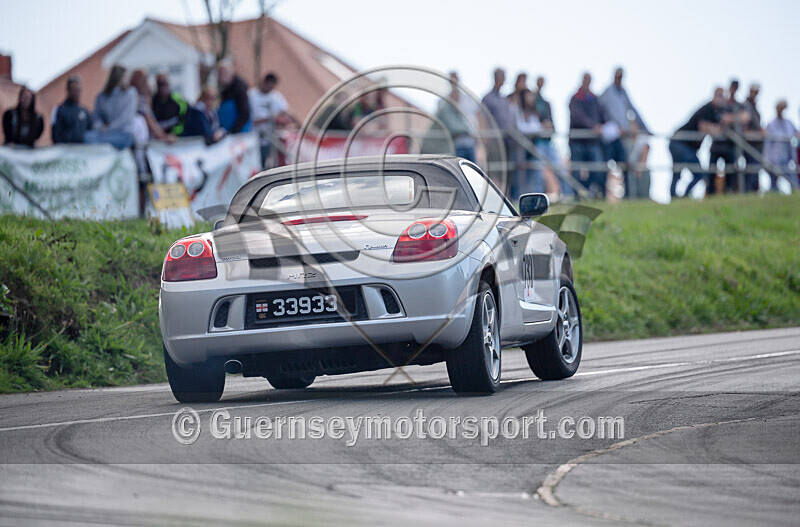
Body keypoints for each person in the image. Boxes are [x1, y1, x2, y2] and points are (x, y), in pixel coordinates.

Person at [599, 67, 651, 199]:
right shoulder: (607, 93)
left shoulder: (623, 93)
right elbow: (602, 110)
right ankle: (602, 195)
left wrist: (645, 128)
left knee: (625, 165)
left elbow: (633, 109)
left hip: (621, 138)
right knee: (605, 166)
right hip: (610, 136)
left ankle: (629, 197)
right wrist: (612, 126)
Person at [669, 87, 729, 198]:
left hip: (683, 144)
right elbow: (704, 127)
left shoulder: (717, 112)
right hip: (679, 143)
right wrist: (716, 129)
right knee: (697, 172)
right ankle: (681, 196)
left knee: (682, 172)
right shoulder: (708, 109)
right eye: (720, 95)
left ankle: (678, 197)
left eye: (724, 96)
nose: (722, 99)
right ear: (714, 96)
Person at [569, 73, 606, 198]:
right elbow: (577, 117)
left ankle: (593, 193)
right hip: (577, 141)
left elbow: (602, 116)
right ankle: (576, 195)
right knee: (576, 171)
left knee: (596, 170)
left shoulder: (594, 99)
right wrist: (593, 126)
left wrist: (603, 126)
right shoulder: (575, 99)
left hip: (592, 142)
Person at [84, 65, 137, 149]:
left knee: (97, 140)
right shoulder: (102, 96)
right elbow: (96, 116)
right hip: (104, 132)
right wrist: (100, 126)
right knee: (87, 137)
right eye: (125, 76)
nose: (127, 79)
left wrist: (109, 128)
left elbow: (125, 119)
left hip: (123, 133)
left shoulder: (130, 93)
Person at [249, 72, 294, 168]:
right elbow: (249, 119)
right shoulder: (251, 95)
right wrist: (269, 119)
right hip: (253, 138)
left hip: (269, 139)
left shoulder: (276, 97)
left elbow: (286, 112)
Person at [764, 99, 798, 191]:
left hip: (787, 159)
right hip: (774, 159)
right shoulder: (771, 124)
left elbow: (796, 133)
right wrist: (767, 160)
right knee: (774, 184)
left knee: (793, 181)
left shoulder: (789, 123)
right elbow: (767, 144)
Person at [51, 76, 92, 144]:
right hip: (66, 148)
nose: (76, 93)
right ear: (68, 90)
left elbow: (91, 131)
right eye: (74, 90)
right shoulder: (59, 110)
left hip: (82, 149)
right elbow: (56, 136)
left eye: (78, 90)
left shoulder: (85, 111)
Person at [741, 83, 764, 192]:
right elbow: (744, 128)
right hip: (750, 144)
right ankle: (748, 191)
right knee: (751, 170)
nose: (755, 94)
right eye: (754, 91)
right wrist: (760, 133)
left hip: (756, 144)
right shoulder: (746, 106)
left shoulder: (754, 107)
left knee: (755, 170)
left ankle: (752, 191)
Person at [217, 63, 251, 134]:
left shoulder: (239, 89)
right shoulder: (225, 89)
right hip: (227, 131)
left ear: (231, 72)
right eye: (219, 73)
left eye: (223, 72)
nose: (221, 76)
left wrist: (233, 131)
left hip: (239, 133)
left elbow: (245, 113)